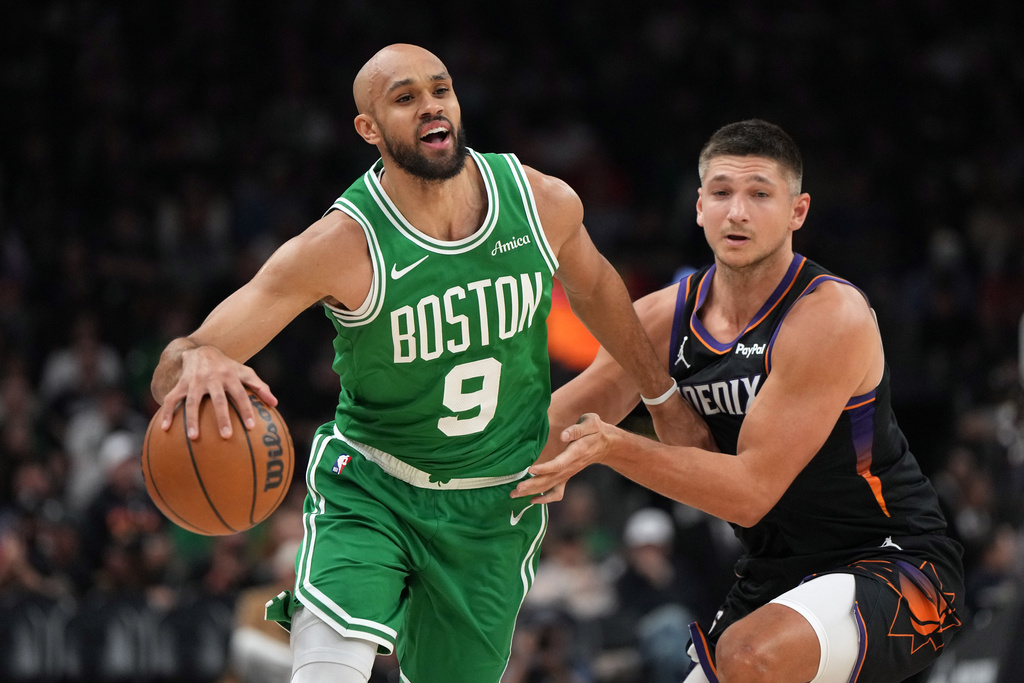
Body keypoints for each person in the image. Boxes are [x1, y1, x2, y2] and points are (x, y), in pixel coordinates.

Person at [150, 43, 688, 683]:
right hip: (374, 487)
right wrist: (198, 362)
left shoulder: (541, 202)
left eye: (441, 89)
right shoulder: (341, 245)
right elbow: (174, 365)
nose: (432, 106)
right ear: (368, 128)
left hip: (495, 505)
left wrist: (664, 398)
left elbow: (598, 290)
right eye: (405, 98)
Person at [513, 119, 965, 682]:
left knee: (750, 658)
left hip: (899, 564)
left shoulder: (827, 317)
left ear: (798, 211)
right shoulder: (663, 317)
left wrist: (612, 447)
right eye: (722, 193)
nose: (737, 212)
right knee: (746, 656)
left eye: (759, 194)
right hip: (773, 575)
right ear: (699, 206)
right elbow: (549, 425)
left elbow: (749, 493)